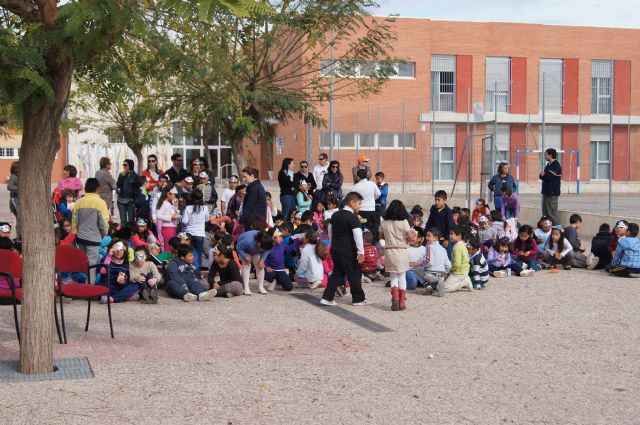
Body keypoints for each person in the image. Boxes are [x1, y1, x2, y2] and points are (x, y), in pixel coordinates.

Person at [320, 192, 371, 306]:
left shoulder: (335, 215)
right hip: (348, 250)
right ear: (352, 202)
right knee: (354, 273)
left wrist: (333, 244)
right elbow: (357, 235)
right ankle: (358, 299)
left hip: (335, 248)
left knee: (337, 273)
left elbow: (330, 230)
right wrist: (361, 251)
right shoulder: (353, 217)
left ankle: (327, 297)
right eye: (359, 203)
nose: (360, 206)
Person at [71, 178, 110, 282]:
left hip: (80, 238)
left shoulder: (78, 203)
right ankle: (89, 289)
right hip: (94, 239)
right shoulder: (101, 203)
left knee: (83, 263)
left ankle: (82, 284)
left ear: (85, 188)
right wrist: (103, 235)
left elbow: (74, 222)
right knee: (92, 265)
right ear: (98, 189)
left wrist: (75, 235)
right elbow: (104, 223)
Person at [380, 200, 414, 311]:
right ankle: (402, 302)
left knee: (393, 277)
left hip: (389, 251)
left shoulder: (384, 222)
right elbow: (410, 237)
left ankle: (394, 298)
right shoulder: (404, 222)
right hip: (401, 251)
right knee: (402, 276)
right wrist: (415, 233)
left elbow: (381, 237)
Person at [236, 224, 273, 295]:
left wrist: (262, 260)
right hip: (244, 250)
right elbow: (238, 247)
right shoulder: (248, 241)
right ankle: (246, 288)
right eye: (263, 249)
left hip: (255, 251)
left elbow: (267, 250)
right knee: (247, 266)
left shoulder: (267, 243)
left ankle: (261, 287)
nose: (264, 250)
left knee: (260, 266)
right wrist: (245, 256)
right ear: (259, 244)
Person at [181, 189, 209, 271]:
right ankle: (198, 272)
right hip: (200, 233)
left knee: (189, 253)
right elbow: (207, 219)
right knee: (199, 253)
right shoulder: (205, 208)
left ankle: (189, 270)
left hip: (189, 233)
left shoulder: (188, 208)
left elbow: (184, 221)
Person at [443, 225, 473, 295]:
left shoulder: (457, 248)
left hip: (458, 273)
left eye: (452, 234)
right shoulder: (462, 245)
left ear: (459, 236)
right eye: (450, 233)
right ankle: (465, 280)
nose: (449, 236)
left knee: (444, 288)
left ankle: (464, 283)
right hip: (464, 271)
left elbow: (457, 264)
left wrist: (450, 270)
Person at [539, 148, 562, 225]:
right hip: (546, 192)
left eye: (546, 154)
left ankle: (558, 230)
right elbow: (541, 176)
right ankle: (548, 229)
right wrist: (543, 175)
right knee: (545, 213)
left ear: (550, 155)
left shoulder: (556, 165)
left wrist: (544, 175)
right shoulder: (548, 165)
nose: (545, 156)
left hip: (552, 193)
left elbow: (548, 177)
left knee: (552, 213)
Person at [156, 184, 180, 252]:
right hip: (167, 228)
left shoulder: (169, 203)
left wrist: (176, 206)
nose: (175, 196)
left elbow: (174, 214)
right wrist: (170, 217)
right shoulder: (164, 203)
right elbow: (158, 215)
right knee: (168, 247)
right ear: (168, 194)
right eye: (174, 194)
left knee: (172, 247)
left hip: (172, 227)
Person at [116, 159, 139, 225]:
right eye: (123, 165)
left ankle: (132, 234)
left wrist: (135, 201)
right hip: (121, 201)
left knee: (131, 220)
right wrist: (121, 176)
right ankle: (124, 234)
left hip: (130, 201)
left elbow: (137, 189)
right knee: (123, 221)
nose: (124, 166)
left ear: (130, 165)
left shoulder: (135, 176)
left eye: (125, 165)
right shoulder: (121, 174)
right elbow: (118, 185)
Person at [7, 161, 19, 239]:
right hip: (14, 199)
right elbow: (9, 187)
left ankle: (19, 235)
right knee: (19, 217)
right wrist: (18, 188)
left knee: (20, 218)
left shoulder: (20, 176)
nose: (18, 169)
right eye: (17, 168)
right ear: (14, 169)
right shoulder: (14, 176)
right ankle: (18, 236)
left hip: (19, 199)